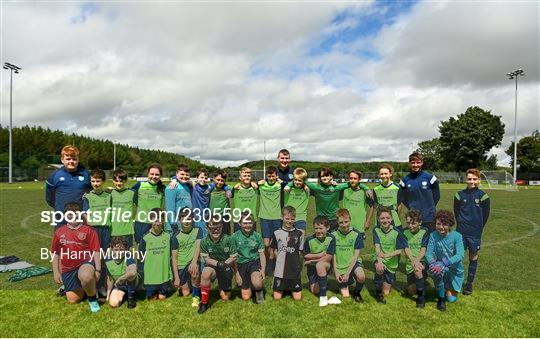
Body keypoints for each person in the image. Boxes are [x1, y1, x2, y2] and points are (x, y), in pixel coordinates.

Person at [51, 202, 101, 312]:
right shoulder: (59, 232)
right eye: (69, 215)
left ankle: (92, 299)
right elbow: (55, 253)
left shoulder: (89, 230)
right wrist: (56, 272)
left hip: (85, 262)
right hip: (68, 267)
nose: (72, 217)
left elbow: (96, 251)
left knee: (86, 276)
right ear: (64, 215)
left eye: (75, 214)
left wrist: (98, 269)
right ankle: (85, 287)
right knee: (73, 300)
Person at [454, 168, 490, 295]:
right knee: (458, 257)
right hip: (461, 231)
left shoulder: (483, 196)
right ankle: (456, 282)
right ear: (465, 179)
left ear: (479, 180)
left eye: (474, 179)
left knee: (473, 256)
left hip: (475, 232)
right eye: (469, 179)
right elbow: (456, 212)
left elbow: (486, 215)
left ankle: (469, 284)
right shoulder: (459, 195)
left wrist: (478, 226)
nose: (472, 181)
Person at [286, 167, 349, 232]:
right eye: (322, 176)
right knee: (322, 239)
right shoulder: (316, 187)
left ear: (331, 176)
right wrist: (289, 185)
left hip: (334, 219)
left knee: (333, 240)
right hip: (321, 219)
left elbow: (349, 184)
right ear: (320, 178)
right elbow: (301, 179)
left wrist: (335, 182)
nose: (325, 178)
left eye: (327, 176)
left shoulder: (337, 187)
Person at [426, 210, 464, 311]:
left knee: (451, 299)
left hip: (454, 270)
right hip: (439, 267)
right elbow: (428, 253)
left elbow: (460, 255)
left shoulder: (457, 236)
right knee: (437, 270)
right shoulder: (433, 235)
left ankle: (448, 288)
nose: (441, 227)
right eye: (438, 224)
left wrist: (444, 263)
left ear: (450, 224)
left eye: (445, 224)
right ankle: (441, 299)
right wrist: (433, 264)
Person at [199, 217, 238, 314]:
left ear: (222, 227)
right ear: (207, 228)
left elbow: (233, 257)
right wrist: (218, 264)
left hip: (226, 267)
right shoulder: (204, 241)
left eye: (218, 227)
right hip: (213, 267)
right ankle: (204, 303)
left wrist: (224, 265)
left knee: (226, 297)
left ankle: (222, 286)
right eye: (212, 228)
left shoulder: (229, 239)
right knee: (205, 273)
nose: (215, 230)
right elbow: (207, 259)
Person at [138, 208, 179, 301]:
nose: (158, 223)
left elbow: (172, 257)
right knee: (152, 299)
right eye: (155, 220)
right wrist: (141, 274)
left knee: (161, 298)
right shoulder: (145, 238)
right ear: (151, 220)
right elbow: (140, 258)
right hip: (150, 278)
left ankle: (164, 289)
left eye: (160, 220)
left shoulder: (168, 237)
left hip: (163, 277)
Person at [45, 145, 91, 227]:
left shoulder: (86, 175)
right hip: (61, 218)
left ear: (78, 159)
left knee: (82, 239)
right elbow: (49, 198)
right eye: (68, 159)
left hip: (81, 218)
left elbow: (92, 194)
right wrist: (59, 207)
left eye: (74, 159)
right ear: (62, 160)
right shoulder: (54, 175)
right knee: (62, 239)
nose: (71, 161)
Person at [82, 168, 111, 295]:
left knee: (104, 258)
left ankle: (102, 285)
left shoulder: (109, 196)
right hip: (94, 230)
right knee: (95, 258)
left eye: (98, 181)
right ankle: (94, 285)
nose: (95, 183)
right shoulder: (87, 197)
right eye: (93, 181)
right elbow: (84, 214)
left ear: (103, 181)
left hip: (106, 229)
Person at [373, 207, 408, 304]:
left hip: (391, 263)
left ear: (392, 219)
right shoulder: (376, 230)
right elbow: (377, 248)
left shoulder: (397, 232)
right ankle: (378, 293)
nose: (385, 220)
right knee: (379, 269)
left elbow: (399, 251)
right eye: (382, 218)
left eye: (387, 218)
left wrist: (386, 255)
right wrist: (380, 262)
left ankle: (388, 280)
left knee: (387, 292)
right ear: (378, 219)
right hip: (380, 259)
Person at [399, 152, 440, 232]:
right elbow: (403, 198)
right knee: (415, 241)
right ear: (410, 164)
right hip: (413, 216)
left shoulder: (430, 178)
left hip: (429, 216)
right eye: (413, 163)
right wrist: (411, 207)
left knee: (430, 240)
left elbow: (437, 196)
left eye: (418, 162)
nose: (415, 165)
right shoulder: (405, 180)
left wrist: (429, 207)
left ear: (422, 163)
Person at [332, 209, 366, 303]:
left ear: (350, 220)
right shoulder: (333, 235)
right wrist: (336, 272)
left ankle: (357, 293)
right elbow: (333, 255)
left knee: (361, 276)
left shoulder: (356, 234)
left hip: (353, 263)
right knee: (345, 295)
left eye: (346, 221)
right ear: (337, 222)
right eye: (341, 222)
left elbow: (356, 255)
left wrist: (347, 272)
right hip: (340, 265)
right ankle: (346, 281)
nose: (344, 225)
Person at [271, 206, 304, 301]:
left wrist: (298, 266)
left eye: (292, 219)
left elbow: (300, 252)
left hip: (294, 271)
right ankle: (283, 287)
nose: (289, 221)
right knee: (277, 298)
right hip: (280, 271)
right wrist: (279, 262)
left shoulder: (299, 234)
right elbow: (274, 250)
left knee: (297, 298)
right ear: (282, 217)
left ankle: (290, 287)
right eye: (287, 218)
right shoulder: (277, 233)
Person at [233, 211, 266, 304]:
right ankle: (248, 283)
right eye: (245, 223)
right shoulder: (234, 237)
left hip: (254, 263)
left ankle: (259, 292)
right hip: (241, 264)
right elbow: (233, 258)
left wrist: (263, 270)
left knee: (257, 283)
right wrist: (237, 273)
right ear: (239, 223)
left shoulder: (257, 236)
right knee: (246, 297)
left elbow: (262, 254)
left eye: (250, 222)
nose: (247, 225)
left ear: (253, 223)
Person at [173, 208, 203, 307]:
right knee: (185, 293)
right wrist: (176, 277)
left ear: (193, 219)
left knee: (195, 271)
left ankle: (196, 297)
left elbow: (198, 247)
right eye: (184, 218)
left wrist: (194, 262)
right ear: (180, 220)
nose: (186, 221)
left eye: (189, 219)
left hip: (192, 262)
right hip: (181, 265)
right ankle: (183, 286)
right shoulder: (175, 236)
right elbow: (174, 258)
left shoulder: (198, 230)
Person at [304, 216, 335, 307]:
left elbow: (328, 257)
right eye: (316, 228)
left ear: (327, 228)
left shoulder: (331, 238)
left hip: (326, 265)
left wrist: (312, 261)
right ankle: (323, 282)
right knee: (314, 290)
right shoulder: (309, 240)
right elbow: (306, 255)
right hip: (312, 269)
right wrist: (319, 255)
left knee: (320, 265)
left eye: (321, 228)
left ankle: (323, 298)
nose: (318, 231)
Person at [257, 166, 282, 276]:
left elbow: (292, 183)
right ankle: (268, 260)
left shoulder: (279, 185)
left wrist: (283, 182)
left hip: (276, 217)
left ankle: (271, 263)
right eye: (269, 176)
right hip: (264, 217)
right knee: (266, 243)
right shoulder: (262, 185)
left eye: (273, 176)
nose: (271, 178)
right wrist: (257, 183)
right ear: (266, 176)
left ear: (276, 176)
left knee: (274, 242)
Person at [132, 163, 166, 244]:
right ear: (148, 174)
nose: (154, 176)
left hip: (156, 223)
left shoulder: (163, 188)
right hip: (141, 222)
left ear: (160, 175)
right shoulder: (139, 185)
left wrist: (174, 179)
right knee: (141, 248)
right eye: (152, 174)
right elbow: (129, 195)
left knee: (155, 248)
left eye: (157, 174)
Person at [403, 209, 429, 308]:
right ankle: (422, 283)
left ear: (420, 222)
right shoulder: (404, 232)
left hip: (422, 260)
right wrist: (413, 261)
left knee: (418, 270)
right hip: (410, 263)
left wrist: (417, 261)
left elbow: (423, 249)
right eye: (408, 223)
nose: (410, 226)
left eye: (413, 223)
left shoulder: (424, 231)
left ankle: (421, 298)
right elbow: (406, 248)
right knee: (410, 291)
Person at [105, 236, 138, 309]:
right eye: (116, 249)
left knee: (129, 272)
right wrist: (108, 296)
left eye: (121, 249)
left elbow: (133, 272)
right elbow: (109, 279)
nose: (119, 252)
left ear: (126, 249)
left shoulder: (128, 257)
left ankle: (131, 297)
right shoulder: (108, 260)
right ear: (112, 249)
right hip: (120, 286)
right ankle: (123, 294)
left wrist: (120, 279)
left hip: (133, 283)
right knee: (114, 304)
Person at [342, 170, 375, 239]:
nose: (352, 180)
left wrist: (368, 221)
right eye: (351, 178)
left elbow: (372, 206)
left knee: (357, 248)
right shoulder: (343, 190)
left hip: (360, 226)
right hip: (345, 225)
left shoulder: (365, 192)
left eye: (355, 178)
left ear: (359, 179)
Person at [373, 164, 403, 231]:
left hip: (394, 218)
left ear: (390, 174)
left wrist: (396, 215)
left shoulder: (397, 187)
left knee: (397, 239)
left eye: (386, 173)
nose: (384, 176)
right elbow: (376, 204)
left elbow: (400, 204)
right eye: (382, 174)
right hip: (381, 217)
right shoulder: (376, 188)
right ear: (379, 175)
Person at [110, 168, 135, 248]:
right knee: (115, 255)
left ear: (125, 181)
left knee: (127, 255)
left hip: (127, 231)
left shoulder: (132, 193)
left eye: (121, 181)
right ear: (113, 181)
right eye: (117, 181)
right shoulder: (109, 194)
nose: (119, 183)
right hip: (113, 231)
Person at [165, 164, 192, 234]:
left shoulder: (187, 186)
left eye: (187, 175)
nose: (184, 176)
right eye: (182, 174)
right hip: (175, 227)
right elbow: (169, 209)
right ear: (176, 174)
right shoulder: (172, 187)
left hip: (185, 225)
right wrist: (174, 224)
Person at [231, 167, 258, 232]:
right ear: (240, 178)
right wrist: (233, 189)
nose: (247, 177)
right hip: (238, 219)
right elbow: (228, 195)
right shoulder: (236, 189)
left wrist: (256, 183)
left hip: (251, 219)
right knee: (237, 240)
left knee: (252, 240)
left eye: (249, 176)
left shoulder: (255, 188)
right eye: (244, 176)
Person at [284, 167, 310, 234]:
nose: (297, 182)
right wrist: (289, 185)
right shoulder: (288, 189)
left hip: (301, 218)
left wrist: (305, 185)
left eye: (300, 180)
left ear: (304, 181)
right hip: (288, 218)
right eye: (295, 180)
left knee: (300, 238)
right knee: (288, 240)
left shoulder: (307, 189)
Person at [209, 169, 233, 235]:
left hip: (225, 215)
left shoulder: (228, 188)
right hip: (213, 215)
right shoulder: (209, 188)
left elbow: (233, 192)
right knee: (214, 234)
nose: (219, 182)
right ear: (214, 178)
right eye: (218, 180)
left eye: (222, 181)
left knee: (226, 235)